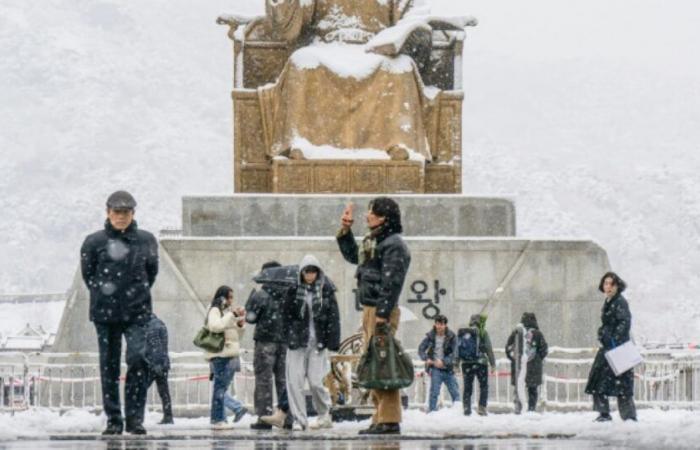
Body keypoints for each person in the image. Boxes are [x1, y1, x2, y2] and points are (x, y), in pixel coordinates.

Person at [80, 190, 158, 435]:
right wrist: (105, 294)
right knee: (109, 366)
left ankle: (135, 419)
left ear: (133, 214)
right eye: (117, 212)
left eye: (126, 212)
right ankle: (114, 419)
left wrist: (135, 295)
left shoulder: (146, 240)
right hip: (105, 314)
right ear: (108, 213)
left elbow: (151, 272)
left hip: (138, 312)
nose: (121, 217)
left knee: (137, 359)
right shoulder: (94, 242)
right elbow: (89, 275)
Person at [337, 197, 411, 435]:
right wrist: (346, 231)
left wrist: (382, 313)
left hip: (381, 311)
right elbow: (353, 257)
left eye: (372, 212)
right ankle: (380, 416)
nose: (367, 216)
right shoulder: (375, 241)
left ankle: (389, 419)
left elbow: (392, 282)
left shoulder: (393, 244)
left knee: (383, 362)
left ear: (384, 218)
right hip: (371, 308)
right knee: (376, 363)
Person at [280, 255, 341, 431]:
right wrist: (289, 337)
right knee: (295, 383)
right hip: (297, 343)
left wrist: (332, 341)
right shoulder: (292, 291)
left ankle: (324, 414)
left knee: (316, 382)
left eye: (313, 271)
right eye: (307, 271)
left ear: (318, 272)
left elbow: (333, 318)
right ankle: (300, 419)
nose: (310, 275)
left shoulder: (326, 290)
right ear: (302, 272)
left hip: (317, 343)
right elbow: (285, 318)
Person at [245, 261, 292, 430]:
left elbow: (250, 318)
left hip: (265, 341)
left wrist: (250, 300)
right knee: (284, 380)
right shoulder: (289, 293)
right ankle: (286, 417)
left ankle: (264, 417)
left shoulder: (261, 294)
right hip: (285, 343)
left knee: (263, 380)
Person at [585, 272, 637, 422]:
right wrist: (603, 333)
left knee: (622, 384)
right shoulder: (609, 301)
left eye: (611, 284)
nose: (607, 287)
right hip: (609, 347)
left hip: (618, 348)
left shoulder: (620, 302)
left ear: (617, 286)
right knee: (598, 380)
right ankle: (604, 413)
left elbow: (624, 323)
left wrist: (613, 338)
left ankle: (628, 417)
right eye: (605, 283)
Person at [204, 286, 248, 430]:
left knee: (220, 388)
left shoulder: (226, 312)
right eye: (229, 297)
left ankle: (219, 418)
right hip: (221, 354)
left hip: (227, 353)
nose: (231, 300)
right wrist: (232, 315)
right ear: (222, 297)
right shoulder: (215, 309)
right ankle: (218, 419)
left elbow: (236, 337)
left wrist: (240, 325)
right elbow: (215, 326)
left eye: (232, 297)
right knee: (220, 388)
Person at [505, 312, 548, 414]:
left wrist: (514, 360)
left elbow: (508, 348)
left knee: (518, 387)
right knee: (532, 390)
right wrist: (537, 359)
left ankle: (518, 408)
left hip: (518, 366)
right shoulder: (537, 334)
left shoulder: (517, 332)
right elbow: (544, 350)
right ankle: (531, 410)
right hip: (534, 366)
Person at [418, 314, 460, 412]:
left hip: (448, 368)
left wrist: (444, 361)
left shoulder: (451, 336)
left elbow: (455, 353)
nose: (439, 326)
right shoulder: (430, 336)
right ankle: (432, 412)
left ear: (445, 325)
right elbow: (421, 349)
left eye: (441, 324)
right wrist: (426, 358)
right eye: (437, 324)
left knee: (454, 391)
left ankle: (458, 412)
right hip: (435, 368)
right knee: (434, 392)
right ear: (435, 324)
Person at [457, 314, 496, 416]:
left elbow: (457, 348)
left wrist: (456, 364)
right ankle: (482, 408)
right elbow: (489, 349)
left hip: (466, 364)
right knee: (483, 386)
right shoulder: (483, 332)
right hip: (481, 363)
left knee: (467, 387)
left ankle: (466, 408)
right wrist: (493, 364)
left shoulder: (464, 333)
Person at [144, 313, 173, 424]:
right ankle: (168, 416)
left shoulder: (151, 326)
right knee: (164, 392)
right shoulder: (159, 323)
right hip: (162, 363)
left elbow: (156, 347)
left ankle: (133, 415)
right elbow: (162, 347)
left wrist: (156, 365)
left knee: (140, 390)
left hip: (155, 365)